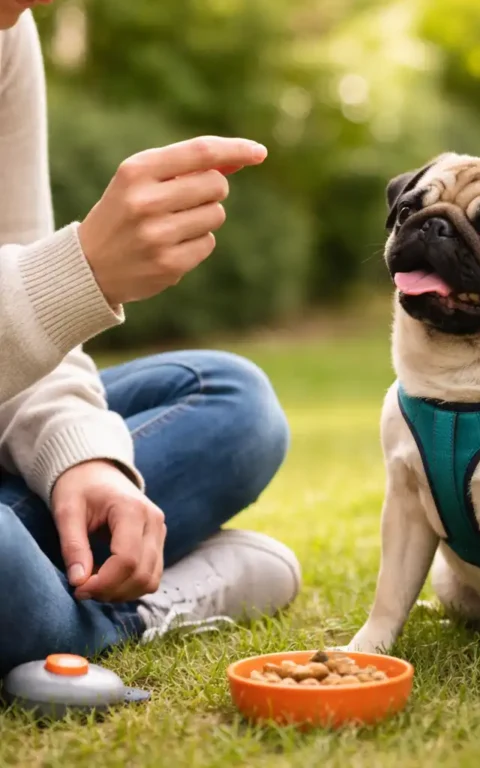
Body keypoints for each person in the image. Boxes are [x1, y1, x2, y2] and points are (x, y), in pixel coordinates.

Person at [0, 4, 301, 677]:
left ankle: (42, 579)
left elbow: (30, 349)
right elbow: (37, 290)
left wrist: (83, 459)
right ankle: (134, 612)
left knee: (234, 405)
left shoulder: (8, 36)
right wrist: (77, 273)